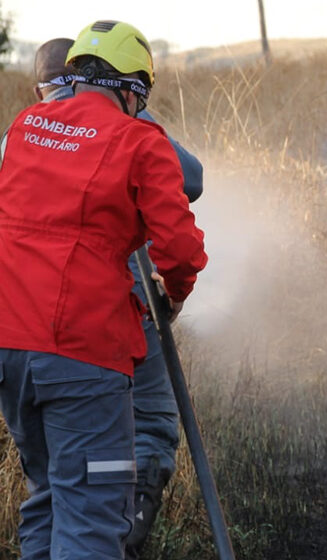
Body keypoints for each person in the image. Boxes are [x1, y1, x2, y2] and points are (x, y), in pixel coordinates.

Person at [0, 19, 207, 560]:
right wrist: (176, 292)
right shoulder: (139, 139)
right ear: (134, 88)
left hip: (11, 351)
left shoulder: (25, 128)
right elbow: (180, 247)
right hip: (83, 355)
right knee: (93, 516)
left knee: (47, 496)